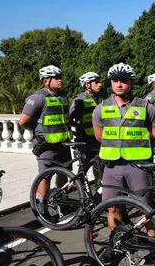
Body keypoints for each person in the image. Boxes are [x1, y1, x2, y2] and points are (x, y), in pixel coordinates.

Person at [92, 63, 155, 233]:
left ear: (131, 82)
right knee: (112, 208)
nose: (119, 84)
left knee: (145, 208)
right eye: (115, 80)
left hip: (138, 165)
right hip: (112, 166)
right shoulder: (101, 108)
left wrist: (137, 145)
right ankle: (114, 244)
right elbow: (99, 135)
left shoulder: (146, 106)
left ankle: (154, 243)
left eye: (123, 80)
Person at [19, 65, 71, 201]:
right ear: (45, 81)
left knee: (64, 174)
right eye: (56, 78)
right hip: (46, 145)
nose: (60, 80)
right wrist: (37, 130)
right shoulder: (37, 98)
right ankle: (42, 206)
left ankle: (61, 203)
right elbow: (23, 122)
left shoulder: (63, 97)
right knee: (45, 177)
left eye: (61, 77)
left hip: (63, 144)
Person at [69, 71, 103, 164]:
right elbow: (71, 119)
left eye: (99, 82)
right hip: (85, 140)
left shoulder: (101, 98)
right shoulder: (79, 100)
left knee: (99, 166)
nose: (100, 84)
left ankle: (98, 179)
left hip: (99, 138)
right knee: (84, 167)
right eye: (96, 82)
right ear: (88, 85)